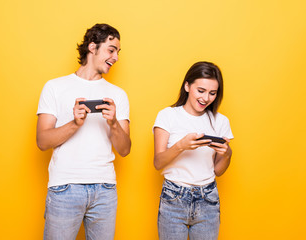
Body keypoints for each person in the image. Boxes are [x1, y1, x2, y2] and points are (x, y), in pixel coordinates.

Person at [36, 23, 131, 240]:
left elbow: (124, 149)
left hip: (105, 190)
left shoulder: (118, 94)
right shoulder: (55, 87)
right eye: (111, 49)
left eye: (118, 52)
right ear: (92, 47)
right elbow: (42, 141)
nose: (116, 57)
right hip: (64, 188)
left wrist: (114, 123)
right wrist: (74, 124)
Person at [153, 61, 233, 240]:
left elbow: (218, 171)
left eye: (212, 93)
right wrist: (182, 146)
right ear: (187, 86)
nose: (206, 98)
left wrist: (227, 153)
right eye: (201, 91)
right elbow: (158, 163)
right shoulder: (167, 115)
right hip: (174, 197)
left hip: (208, 198)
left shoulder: (220, 121)